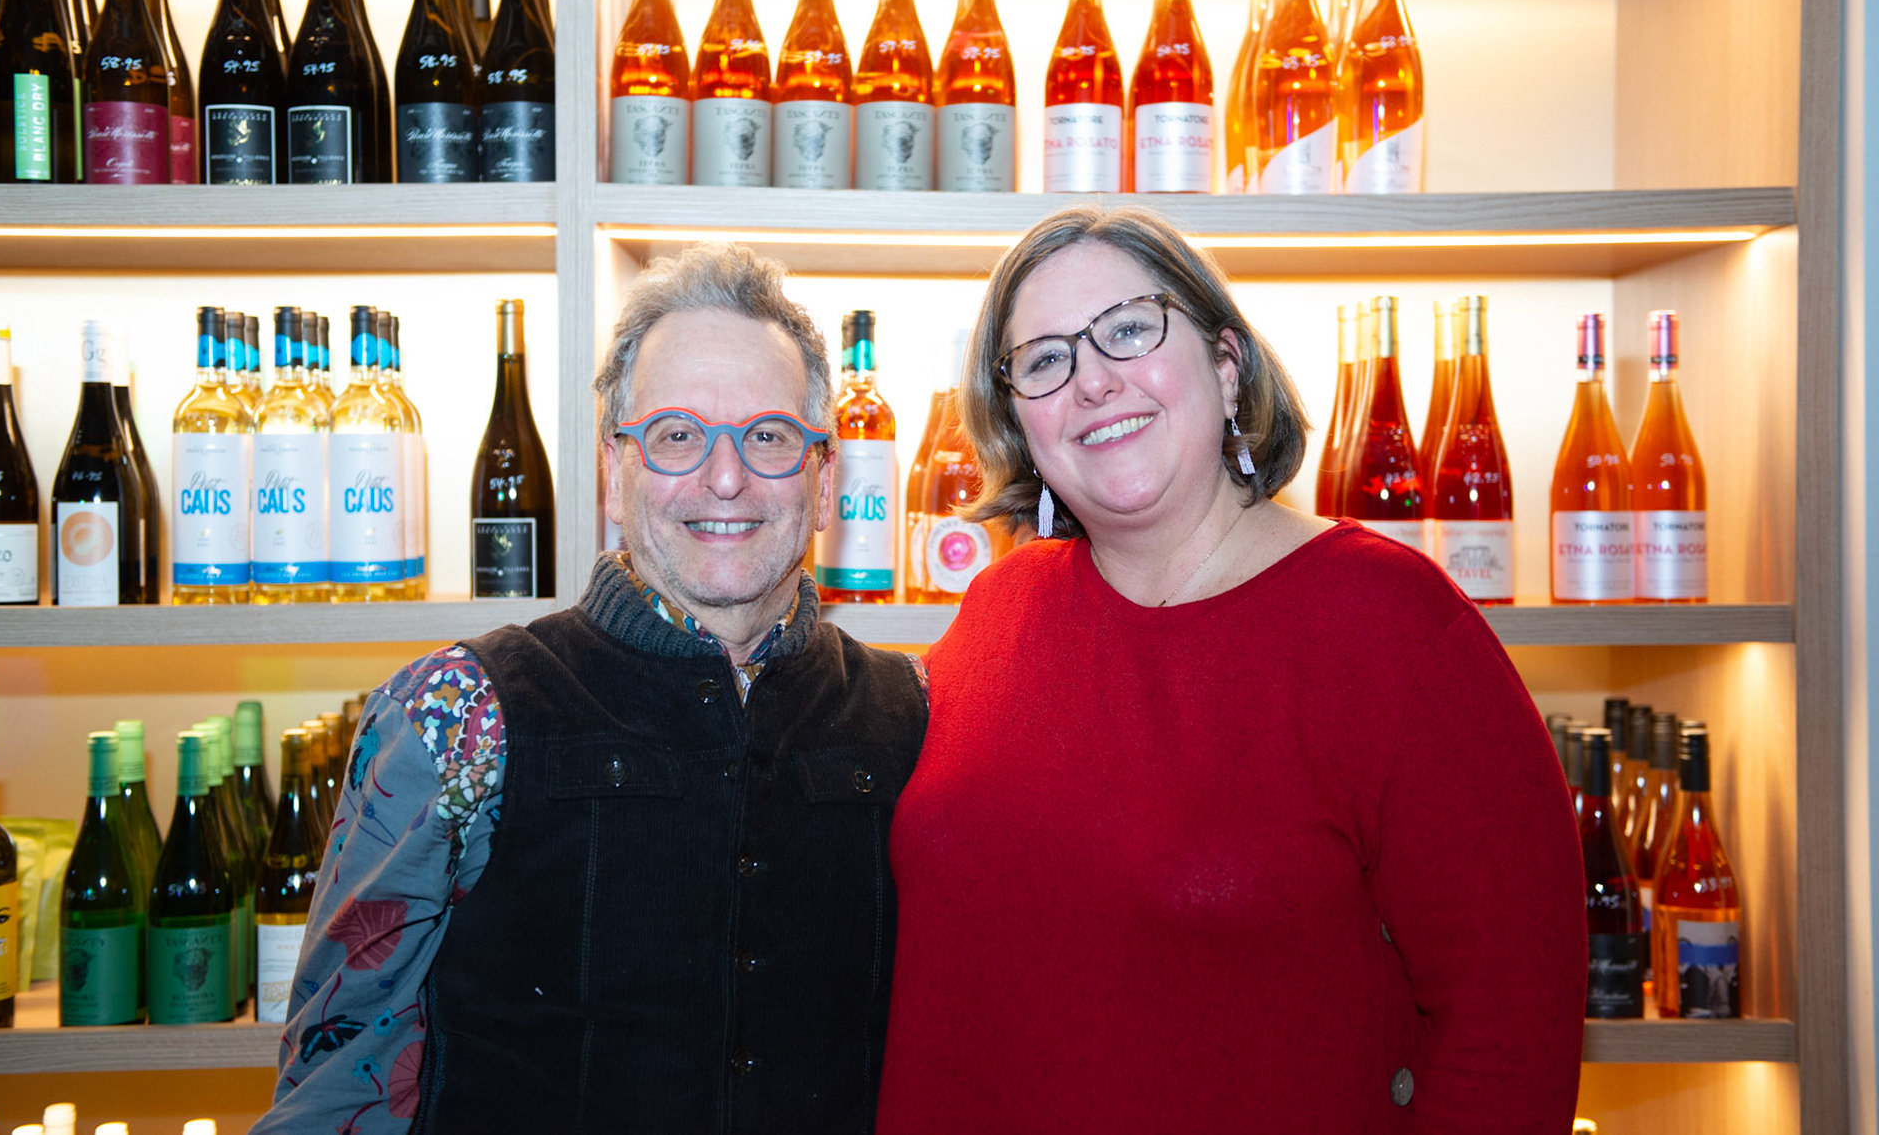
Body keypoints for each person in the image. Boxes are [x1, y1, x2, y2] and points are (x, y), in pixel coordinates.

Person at [874, 206, 1584, 1133]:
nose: (1093, 380)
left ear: (1225, 360)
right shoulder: (997, 612)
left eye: (1130, 328)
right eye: (1044, 360)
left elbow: (1511, 1032)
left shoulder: (1391, 625)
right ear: (1017, 420)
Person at [253, 244, 928, 1134]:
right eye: (677, 434)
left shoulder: (917, 715)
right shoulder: (457, 711)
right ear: (614, 472)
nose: (726, 477)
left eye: (768, 436)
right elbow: (337, 1094)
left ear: (826, 479)